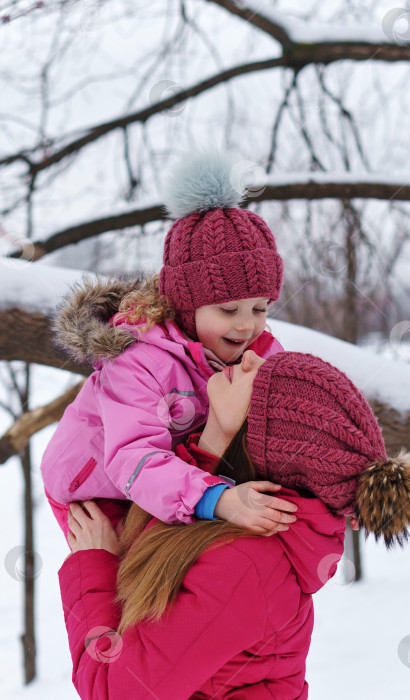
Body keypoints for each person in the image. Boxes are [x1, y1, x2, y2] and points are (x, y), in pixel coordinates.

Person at [59, 349, 410, 699]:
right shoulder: (237, 523)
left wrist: (92, 565)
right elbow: (179, 520)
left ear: (254, 438)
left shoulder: (245, 564)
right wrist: (214, 439)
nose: (251, 356)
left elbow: (119, 691)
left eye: (260, 383)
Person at [41, 151, 296, 542]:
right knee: (138, 590)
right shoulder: (139, 359)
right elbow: (133, 456)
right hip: (97, 490)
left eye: (260, 308)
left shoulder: (259, 353)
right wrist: (219, 499)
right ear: (186, 306)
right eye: (228, 309)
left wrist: (339, 487)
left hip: (178, 473)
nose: (247, 324)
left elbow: (294, 422)